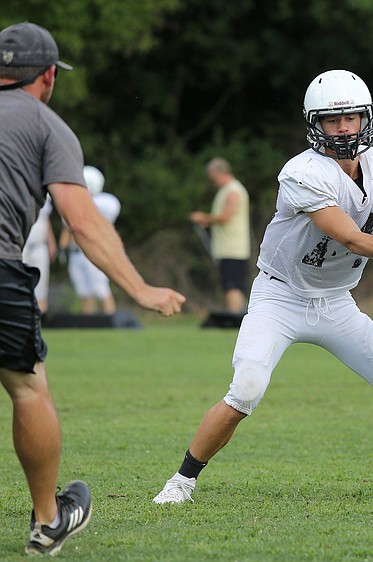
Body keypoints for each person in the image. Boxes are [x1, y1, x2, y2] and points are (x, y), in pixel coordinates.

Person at [152, 70, 373, 505]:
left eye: (351, 118)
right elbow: (350, 238)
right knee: (245, 389)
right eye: (332, 120)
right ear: (313, 124)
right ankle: (182, 481)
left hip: (337, 302)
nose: (343, 128)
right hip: (280, 297)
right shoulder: (301, 172)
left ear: (366, 118)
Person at [0, 21, 186, 554]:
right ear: (49, 75)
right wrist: (140, 288)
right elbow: (81, 221)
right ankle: (47, 520)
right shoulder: (46, 125)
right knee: (26, 387)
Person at [189, 157, 251, 313]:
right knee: (231, 282)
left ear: (221, 173)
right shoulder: (226, 190)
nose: (213, 181)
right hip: (227, 247)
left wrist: (204, 217)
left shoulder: (233, 191)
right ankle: (236, 315)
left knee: (232, 284)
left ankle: (235, 317)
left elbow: (225, 216)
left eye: (213, 177)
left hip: (232, 248)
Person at [59, 165, 120, 314]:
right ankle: (89, 325)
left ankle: (111, 322)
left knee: (101, 290)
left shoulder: (104, 203)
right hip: (76, 252)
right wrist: (62, 248)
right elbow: (68, 229)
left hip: (94, 250)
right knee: (84, 293)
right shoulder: (74, 202)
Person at [22, 194, 57, 313]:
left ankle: (40, 321)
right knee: (19, 284)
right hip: (21, 245)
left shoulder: (44, 194)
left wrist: (51, 243)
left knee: (41, 285)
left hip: (39, 245)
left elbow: (45, 219)